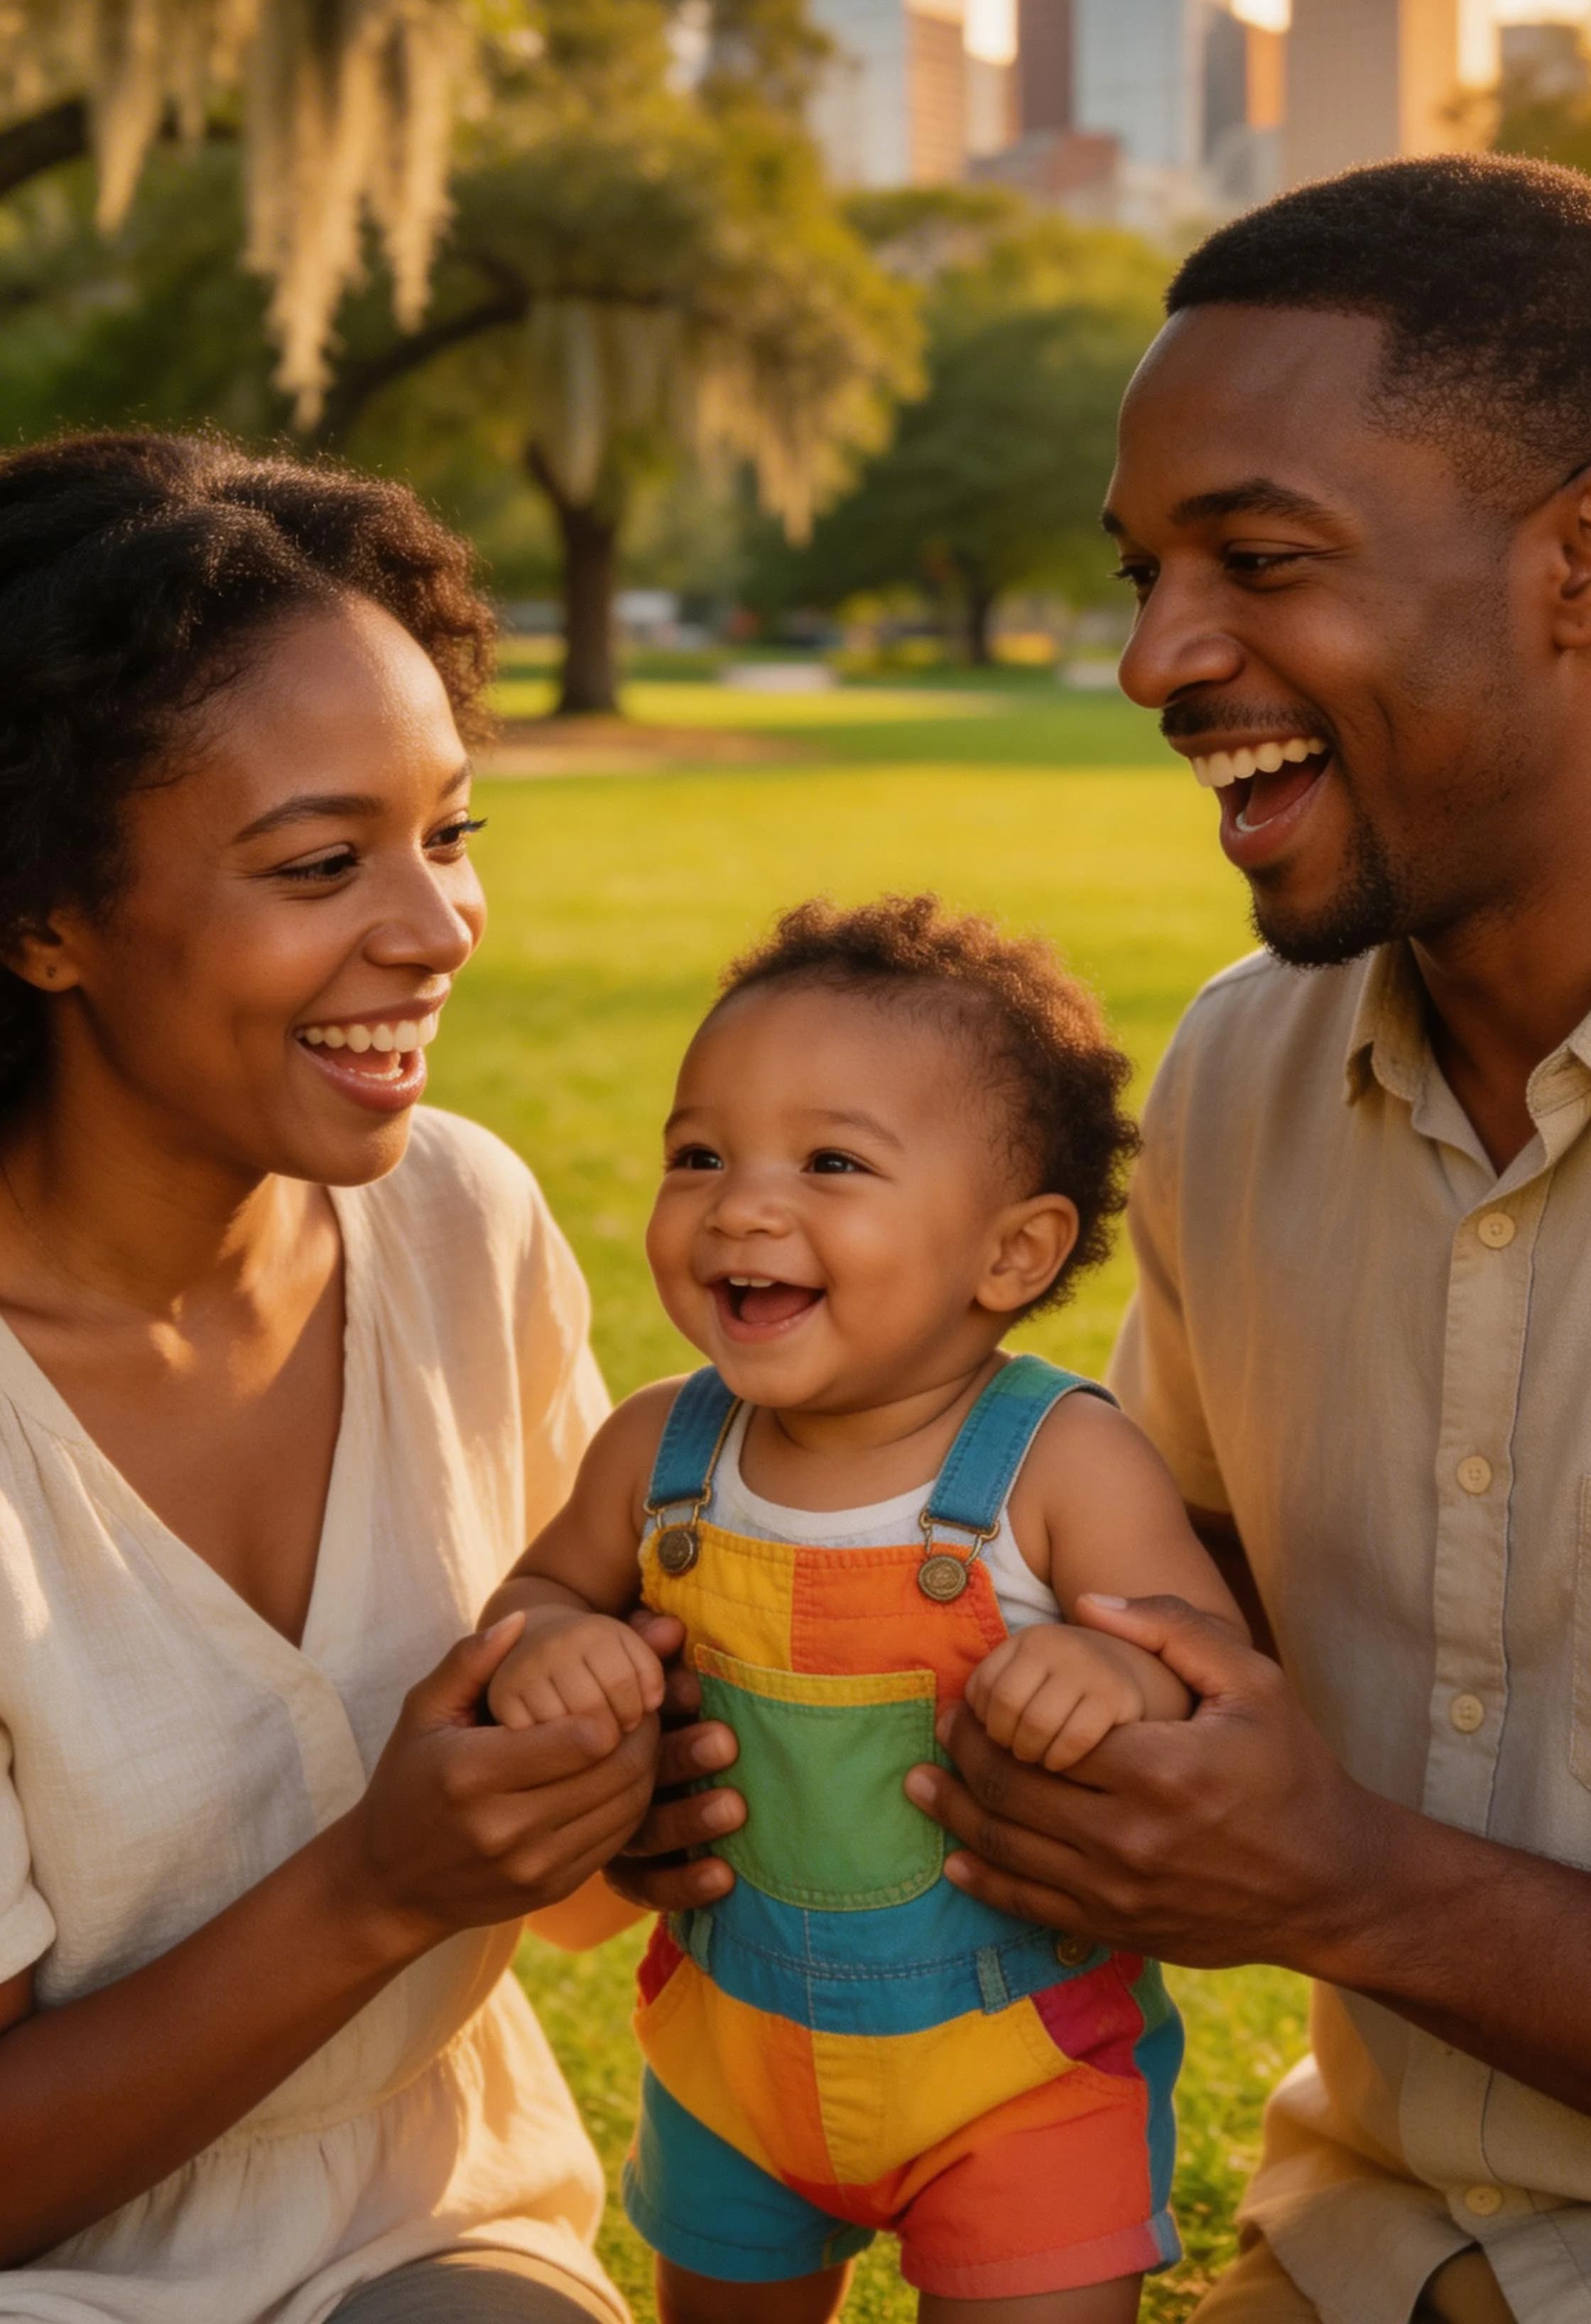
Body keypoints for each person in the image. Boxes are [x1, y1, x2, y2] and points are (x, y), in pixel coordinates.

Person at [902, 155, 1591, 2324]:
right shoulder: (1243, 1071)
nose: (1158, 657)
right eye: (1146, 572)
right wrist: (764, 1712)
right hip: (1356, 2254)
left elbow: (1316, 1858)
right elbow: (1170, 1619)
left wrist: (1357, 1888)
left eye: (1263, 559)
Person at [0, 433, 730, 2324]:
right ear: (42, 921)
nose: (434, 929)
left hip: (422, 2226)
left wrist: (637, 1786)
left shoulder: (457, 1222)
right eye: (323, 864)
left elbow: (575, 1895)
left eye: (451, 834)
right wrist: (382, 1886)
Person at [484, 893, 1244, 2324]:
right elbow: (533, 1593)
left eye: (831, 1162)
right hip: (734, 2062)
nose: (741, 1205)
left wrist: (1118, 1680)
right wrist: (557, 1639)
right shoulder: (660, 1448)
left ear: (1013, 1256)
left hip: (1021, 2072)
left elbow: (1212, 1681)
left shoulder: (1059, 1461)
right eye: (698, 1156)